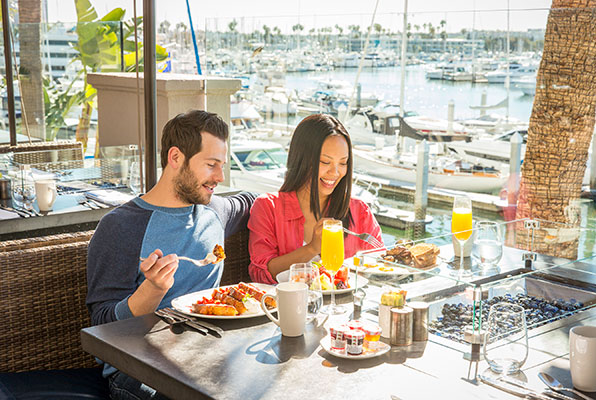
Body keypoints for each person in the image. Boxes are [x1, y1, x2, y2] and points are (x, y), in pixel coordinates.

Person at [87, 110, 255, 400]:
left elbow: (254, 201)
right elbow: (102, 325)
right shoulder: (121, 227)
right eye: (211, 165)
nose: (220, 177)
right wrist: (151, 290)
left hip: (204, 355)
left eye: (222, 165)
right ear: (176, 157)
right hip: (137, 370)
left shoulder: (215, 212)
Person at [247, 113, 383, 284]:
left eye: (343, 163)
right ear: (301, 160)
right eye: (325, 162)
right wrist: (311, 248)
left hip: (344, 307)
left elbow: (381, 266)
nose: (335, 173)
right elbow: (260, 274)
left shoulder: (359, 211)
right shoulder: (268, 207)